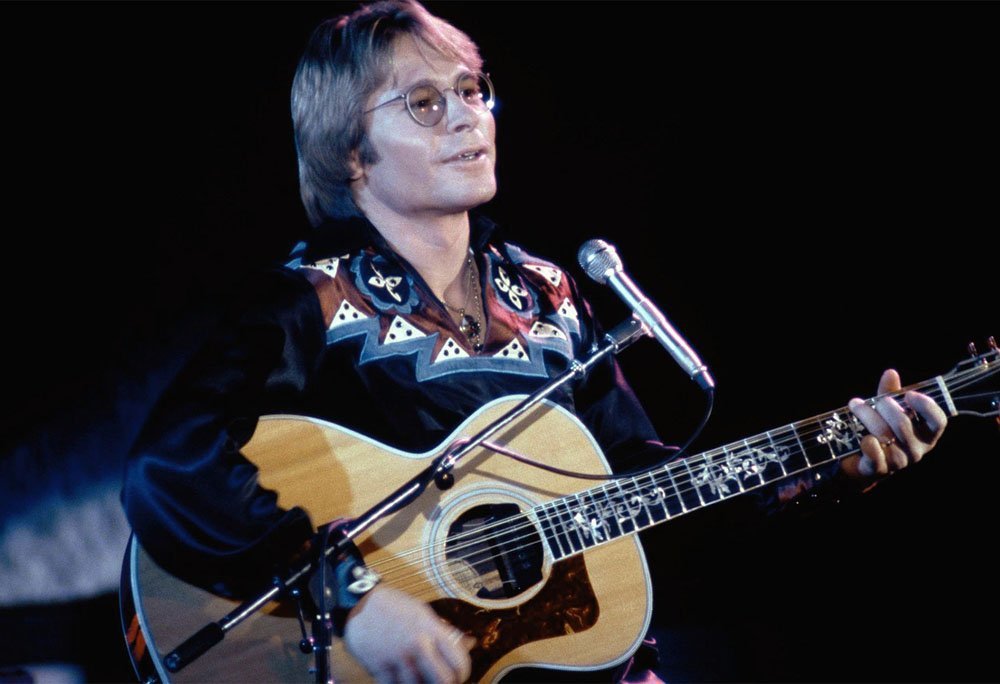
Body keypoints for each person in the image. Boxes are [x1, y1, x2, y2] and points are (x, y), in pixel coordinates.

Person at [122, 1, 949, 682]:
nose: (467, 119)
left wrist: (822, 468)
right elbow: (171, 466)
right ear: (352, 154)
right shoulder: (305, 301)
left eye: (473, 89)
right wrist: (356, 596)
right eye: (423, 103)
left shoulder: (548, 293)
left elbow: (641, 502)